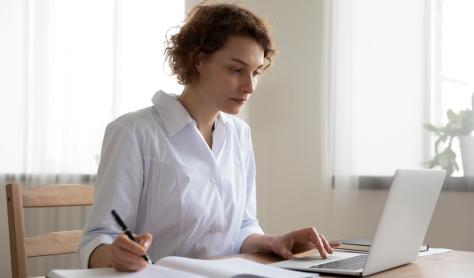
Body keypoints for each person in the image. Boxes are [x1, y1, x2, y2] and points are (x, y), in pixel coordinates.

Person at [79, 3, 339, 272]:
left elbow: (242, 227)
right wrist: (113, 253)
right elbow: (96, 240)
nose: (249, 87)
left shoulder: (239, 134)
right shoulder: (133, 132)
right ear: (198, 60)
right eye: (236, 70)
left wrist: (273, 242)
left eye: (256, 72)